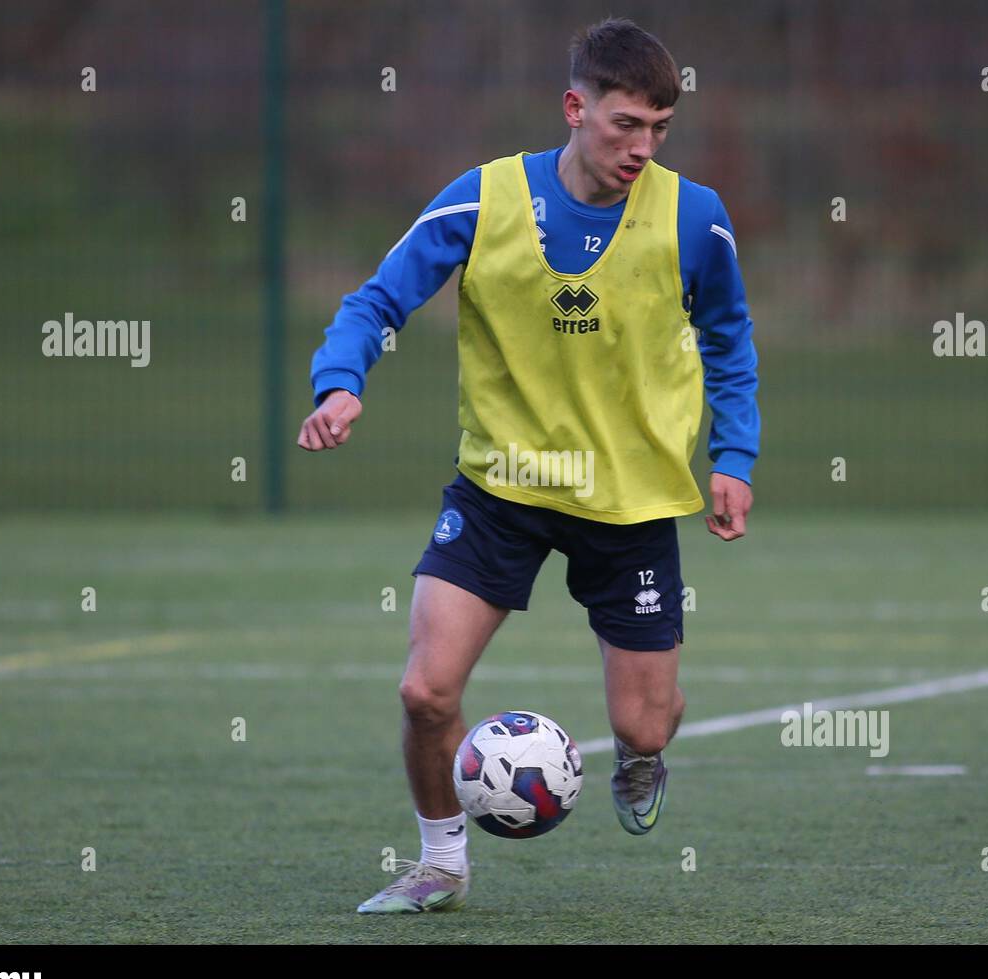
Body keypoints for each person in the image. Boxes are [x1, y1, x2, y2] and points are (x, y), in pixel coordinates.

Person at [298, 17, 759, 913]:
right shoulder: (483, 200)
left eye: (660, 128)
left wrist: (733, 456)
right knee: (426, 690)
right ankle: (439, 862)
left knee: (643, 719)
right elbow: (377, 298)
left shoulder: (694, 216)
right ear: (574, 107)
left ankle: (640, 753)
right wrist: (341, 381)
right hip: (500, 492)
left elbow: (730, 339)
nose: (643, 146)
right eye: (626, 123)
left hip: (629, 506)